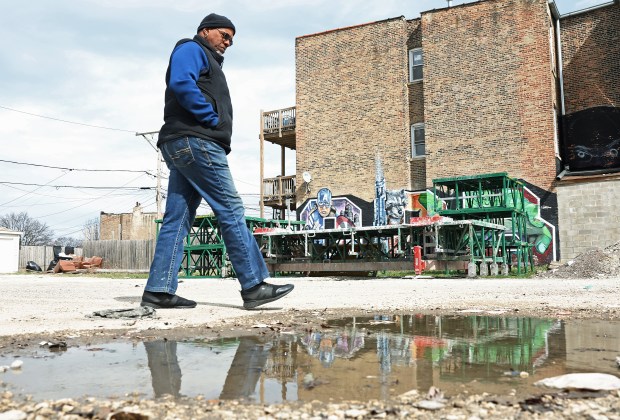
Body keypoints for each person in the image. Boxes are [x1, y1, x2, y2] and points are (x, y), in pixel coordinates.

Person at [141, 13, 294, 310]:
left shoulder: (207, 59)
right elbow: (180, 83)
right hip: (197, 142)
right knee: (231, 208)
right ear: (205, 30)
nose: (228, 42)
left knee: (177, 217)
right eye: (224, 35)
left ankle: (158, 290)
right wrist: (210, 119)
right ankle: (253, 285)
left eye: (231, 40)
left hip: (183, 143)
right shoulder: (191, 48)